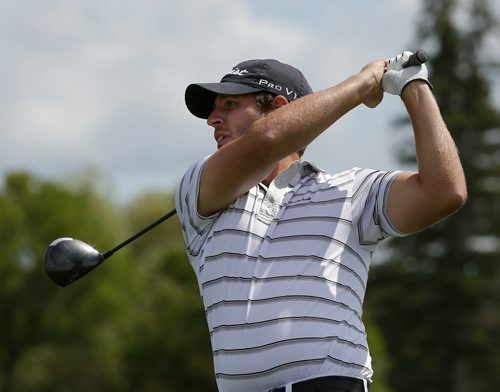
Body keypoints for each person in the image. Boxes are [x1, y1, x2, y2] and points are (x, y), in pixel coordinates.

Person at [175, 53, 467, 392]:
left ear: (280, 107)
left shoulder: (352, 191)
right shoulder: (199, 191)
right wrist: (361, 85)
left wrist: (414, 87)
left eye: (228, 105)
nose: (213, 118)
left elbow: (444, 191)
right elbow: (266, 140)